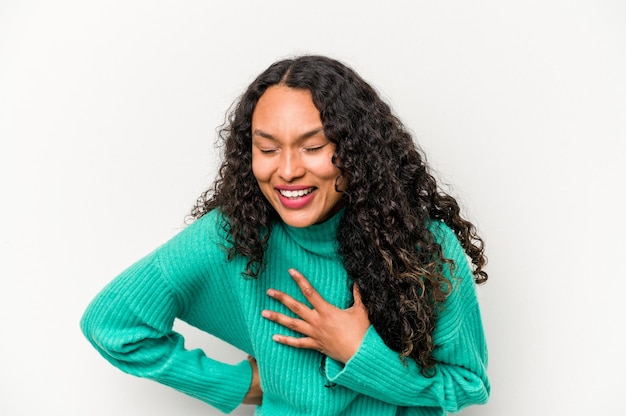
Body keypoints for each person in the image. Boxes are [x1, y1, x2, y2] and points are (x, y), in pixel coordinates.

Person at [80, 55, 490, 415]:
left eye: (313, 147)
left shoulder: (424, 245)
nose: (288, 170)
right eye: (268, 148)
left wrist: (358, 353)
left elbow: (469, 385)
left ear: (357, 151)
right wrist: (238, 384)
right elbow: (112, 324)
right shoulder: (235, 234)